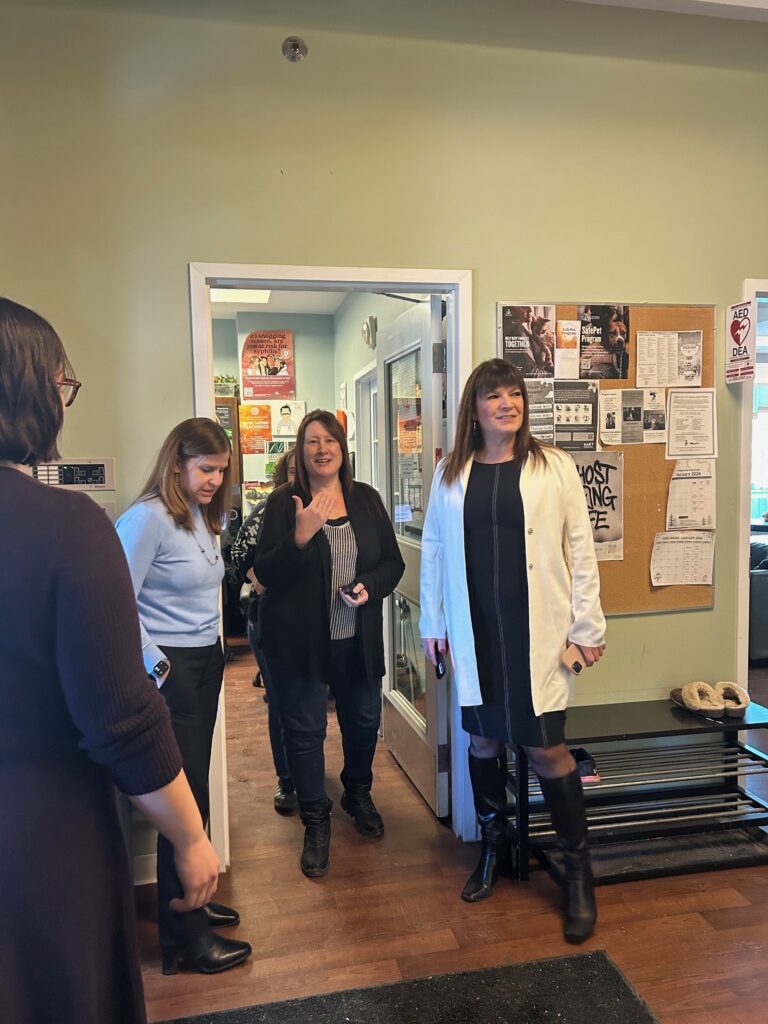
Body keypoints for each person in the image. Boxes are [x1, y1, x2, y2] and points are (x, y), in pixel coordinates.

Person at [0, 297, 221, 1023]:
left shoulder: (203, 522)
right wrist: (191, 837)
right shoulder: (71, 525)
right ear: (28, 389)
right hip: (40, 836)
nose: (65, 400)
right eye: (62, 383)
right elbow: (120, 719)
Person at [419, 358, 606, 944]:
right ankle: (494, 848)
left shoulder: (553, 465)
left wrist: (587, 626)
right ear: (474, 409)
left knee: (547, 748)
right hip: (476, 629)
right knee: (483, 740)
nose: (507, 403)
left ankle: (578, 874)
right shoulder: (451, 472)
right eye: (494, 395)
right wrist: (432, 621)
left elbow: (582, 547)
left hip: (538, 632)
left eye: (515, 394)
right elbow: (434, 550)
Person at [116, 417, 252, 975]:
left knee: (194, 787)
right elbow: (116, 603)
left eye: (222, 471)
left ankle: (193, 902)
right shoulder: (146, 519)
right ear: (177, 465)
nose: (215, 480)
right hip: (172, 670)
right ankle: (184, 938)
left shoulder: (201, 516)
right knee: (184, 797)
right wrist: (158, 663)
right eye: (206, 469)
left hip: (204, 662)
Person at [251, 410, 404, 877]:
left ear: (343, 448)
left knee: (363, 722)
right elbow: (264, 574)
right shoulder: (284, 504)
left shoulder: (367, 500)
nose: (322, 449)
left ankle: (357, 793)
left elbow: (392, 563)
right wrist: (299, 539)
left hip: (356, 640)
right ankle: (315, 820)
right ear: (301, 452)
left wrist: (368, 586)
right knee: (304, 732)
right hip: (300, 643)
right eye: (312, 441)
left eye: (330, 440)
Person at [231, 449, 298, 814]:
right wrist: (259, 579)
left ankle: (306, 771)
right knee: (281, 700)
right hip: (268, 619)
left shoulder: (327, 510)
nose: (298, 478)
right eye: (292, 471)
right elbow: (238, 555)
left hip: (311, 623)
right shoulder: (266, 511)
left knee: (307, 702)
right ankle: (287, 780)